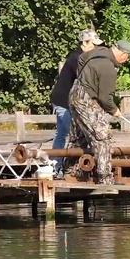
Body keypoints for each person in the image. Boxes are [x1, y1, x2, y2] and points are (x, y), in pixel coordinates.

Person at [68, 40, 130, 185]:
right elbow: (105, 98)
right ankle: (105, 178)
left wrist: (88, 80)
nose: (127, 60)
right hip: (86, 100)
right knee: (103, 138)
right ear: (122, 54)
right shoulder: (108, 67)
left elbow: (80, 59)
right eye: (127, 57)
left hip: (74, 94)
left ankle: (74, 172)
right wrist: (114, 110)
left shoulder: (98, 52)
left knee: (80, 137)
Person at [49, 29, 103, 172]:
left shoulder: (82, 57)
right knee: (68, 133)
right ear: (84, 43)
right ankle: (58, 166)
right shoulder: (77, 58)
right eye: (93, 44)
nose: (96, 48)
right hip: (63, 100)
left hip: (65, 100)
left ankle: (56, 165)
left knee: (63, 133)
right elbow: (86, 81)